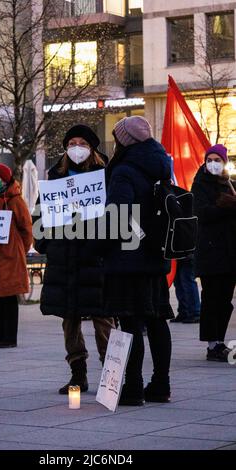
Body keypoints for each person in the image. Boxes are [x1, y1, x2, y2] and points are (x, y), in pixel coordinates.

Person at [34, 125, 115, 395]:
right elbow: (39, 214)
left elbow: (116, 213)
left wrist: (103, 241)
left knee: (104, 317)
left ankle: (111, 372)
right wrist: (46, 242)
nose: (76, 147)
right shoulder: (55, 176)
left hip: (95, 258)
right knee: (69, 319)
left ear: (92, 148)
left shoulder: (105, 176)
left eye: (81, 142)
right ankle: (77, 373)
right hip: (65, 259)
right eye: (71, 143)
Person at [103, 116, 173, 406]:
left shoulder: (124, 171)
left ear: (124, 141)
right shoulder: (161, 164)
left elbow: (117, 217)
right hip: (156, 256)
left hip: (128, 259)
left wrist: (101, 245)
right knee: (157, 321)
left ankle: (133, 387)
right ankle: (161, 385)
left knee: (130, 322)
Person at [191, 144, 236, 362]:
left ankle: (220, 340)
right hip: (210, 250)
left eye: (218, 159)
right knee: (211, 298)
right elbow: (202, 212)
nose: (213, 163)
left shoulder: (229, 183)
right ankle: (212, 344)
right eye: (210, 159)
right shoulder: (200, 183)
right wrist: (225, 207)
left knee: (225, 300)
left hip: (229, 251)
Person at [0, 163, 33, 348]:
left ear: (5, 179)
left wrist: (20, 249)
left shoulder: (15, 200)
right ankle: (0, 335)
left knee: (9, 296)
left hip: (11, 254)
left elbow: (27, 228)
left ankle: (9, 338)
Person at [171, 255, 201, 323]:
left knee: (187, 282)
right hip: (178, 256)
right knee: (179, 283)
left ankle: (195, 312)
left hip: (187, 254)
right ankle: (184, 311)